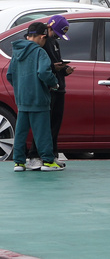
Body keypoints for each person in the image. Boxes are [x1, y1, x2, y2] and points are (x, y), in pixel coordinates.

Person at [7, 22, 63, 172]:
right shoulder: (40, 52)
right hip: (39, 98)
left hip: (22, 98)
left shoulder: (17, 52)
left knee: (21, 131)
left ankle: (19, 162)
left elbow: (9, 75)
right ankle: (48, 161)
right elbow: (44, 73)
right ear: (42, 36)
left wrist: (20, 87)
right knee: (42, 131)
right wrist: (54, 83)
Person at [24, 14, 74, 170]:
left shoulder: (53, 42)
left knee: (54, 124)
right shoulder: (42, 43)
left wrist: (64, 70)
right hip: (49, 88)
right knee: (43, 124)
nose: (52, 37)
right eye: (53, 33)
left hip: (58, 88)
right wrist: (55, 69)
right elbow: (44, 67)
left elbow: (54, 63)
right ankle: (35, 155)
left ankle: (50, 155)